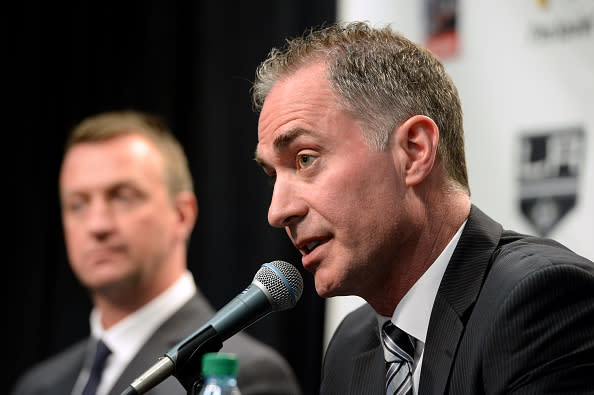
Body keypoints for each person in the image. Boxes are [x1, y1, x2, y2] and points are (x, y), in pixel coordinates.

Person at [251, 21, 594, 394]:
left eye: (305, 159)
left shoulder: (540, 302)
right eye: (273, 175)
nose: (277, 211)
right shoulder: (349, 348)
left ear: (414, 152)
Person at [12, 110, 302, 395]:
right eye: (78, 204)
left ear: (181, 214)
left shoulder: (242, 376)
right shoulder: (37, 385)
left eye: (122, 197)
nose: (97, 225)